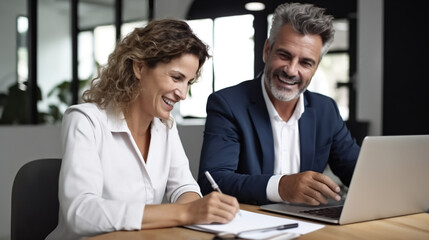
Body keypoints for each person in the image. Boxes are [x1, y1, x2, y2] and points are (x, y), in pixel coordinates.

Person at [46, 19, 239, 240]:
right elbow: (80, 213)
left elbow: (183, 187)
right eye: (176, 78)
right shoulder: (85, 120)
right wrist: (185, 212)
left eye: (188, 82)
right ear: (139, 67)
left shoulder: (165, 126)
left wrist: (200, 209)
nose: (183, 94)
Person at [198, 3, 361, 206]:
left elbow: (359, 174)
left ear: (316, 67)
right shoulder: (228, 104)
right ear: (267, 50)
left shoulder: (325, 110)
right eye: (284, 55)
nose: (292, 70)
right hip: (251, 227)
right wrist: (281, 187)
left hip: (310, 227)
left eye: (305, 63)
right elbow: (212, 181)